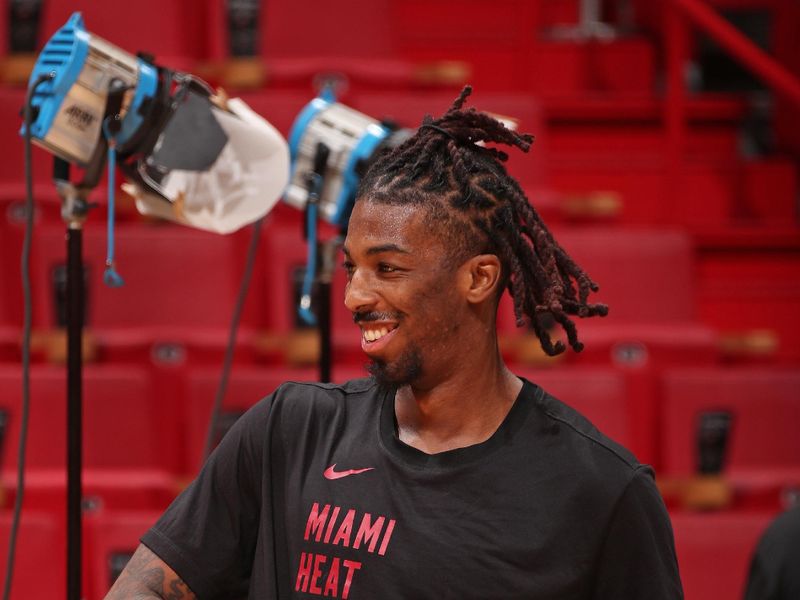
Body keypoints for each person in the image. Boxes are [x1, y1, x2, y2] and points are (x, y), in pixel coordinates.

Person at [106, 87, 683, 599]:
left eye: (388, 268)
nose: (355, 295)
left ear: (479, 279)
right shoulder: (289, 430)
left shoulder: (600, 492)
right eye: (352, 266)